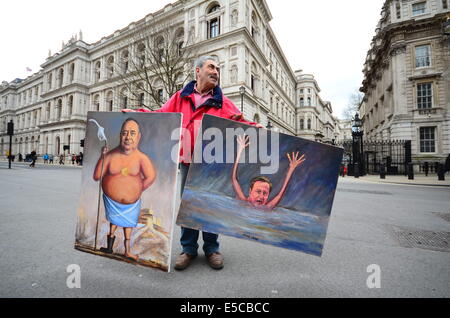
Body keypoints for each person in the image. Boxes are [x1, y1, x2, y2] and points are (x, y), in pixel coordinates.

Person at [126, 55, 262, 270]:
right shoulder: (181, 97)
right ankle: (188, 249)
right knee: (188, 206)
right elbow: (161, 115)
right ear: (197, 71)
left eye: (218, 68)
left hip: (211, 163)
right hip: (187, 161)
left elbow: (242, 121)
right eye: (211, 67)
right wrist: (137, 114)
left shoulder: (222, 101)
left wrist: (256, 127)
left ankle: (211, 249)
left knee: (209, 205)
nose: (216, 71)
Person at [93, 118, 157, 261]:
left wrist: (137, 189)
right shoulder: (110, 155)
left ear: (138, 137)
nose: (128, 137)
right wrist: (102, 157)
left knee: (128, 227)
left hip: (131, 205)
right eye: (125, 133)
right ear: (120, 136)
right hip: (112, 202)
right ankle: (109, 247)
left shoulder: (142, 158)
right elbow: (97, 176)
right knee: (113, 223)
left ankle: (127, 251)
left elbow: (151, 176)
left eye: (132, 133)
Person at [232, 135, 306, 209]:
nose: (261, 196)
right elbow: (234, 179)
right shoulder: (244, 201)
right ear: (250, 191)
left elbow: (280, 194)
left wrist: (291, 169)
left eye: (265, 193)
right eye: (258, 191)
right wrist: (240, 151)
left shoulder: (267, 207)